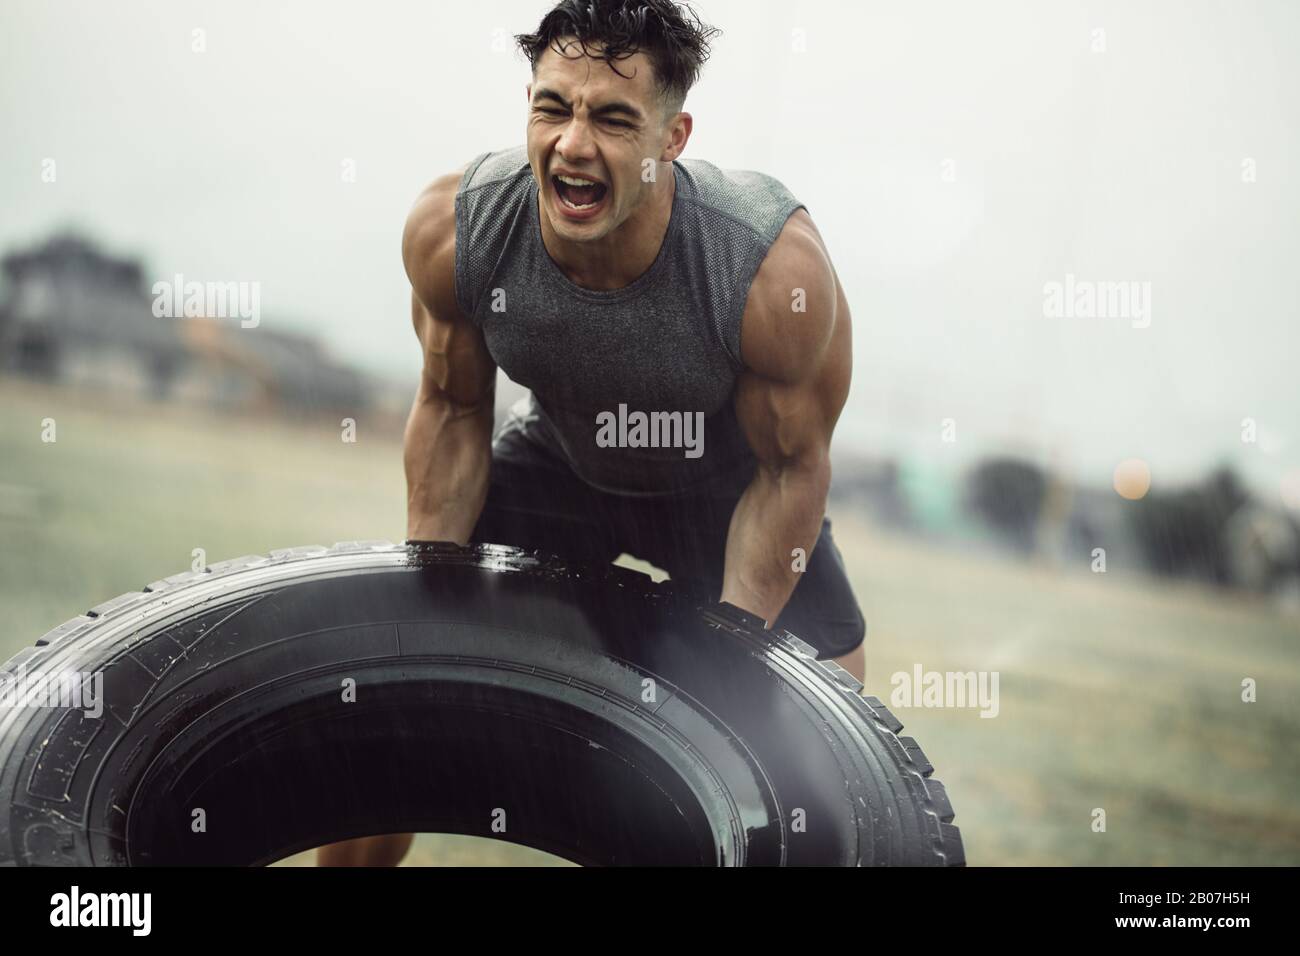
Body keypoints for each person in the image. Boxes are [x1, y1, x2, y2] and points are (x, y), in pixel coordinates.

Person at [317, 0, 861, 867]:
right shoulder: (459, 231)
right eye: (552, 107)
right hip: (561, 463)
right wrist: (431, 599)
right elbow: (454, 408)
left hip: (727, 493)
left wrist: (731, 649)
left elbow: (793, 468)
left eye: (612, 118)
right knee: (403, 694)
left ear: (671, 137)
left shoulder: (768, 271)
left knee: (834, 770)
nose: (573, 144)